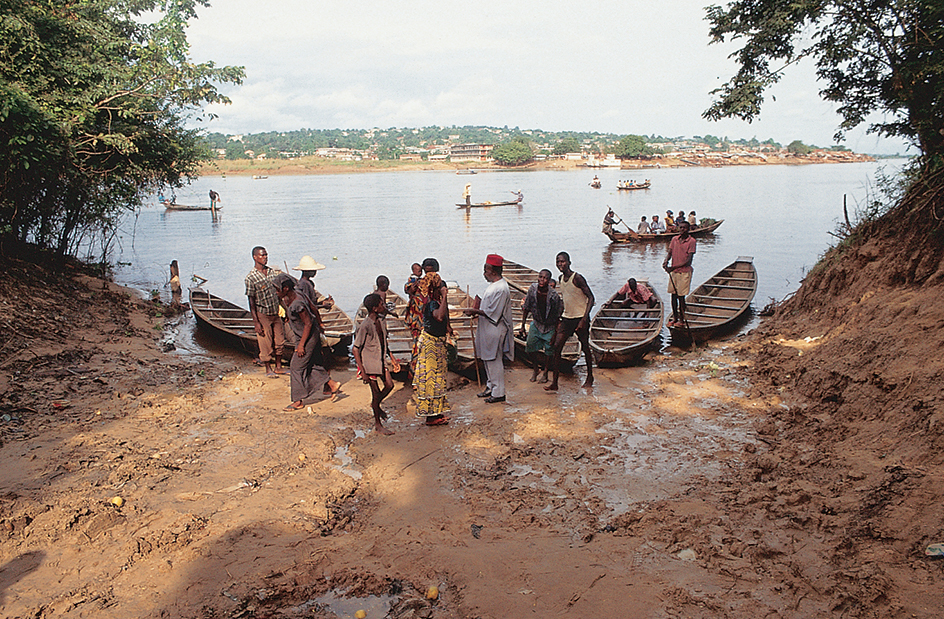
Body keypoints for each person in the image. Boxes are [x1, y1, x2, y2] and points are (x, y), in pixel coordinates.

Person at [273, 274, 340, 411]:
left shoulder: (297, 303)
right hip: (307, 335)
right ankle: (332, 384)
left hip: (307, 337)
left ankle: (297, 401)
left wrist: (301, 345)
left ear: (285, 288)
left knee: (296, 367)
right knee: (310, 364)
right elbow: (314, 308)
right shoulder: (295, 294)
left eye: (277, 290)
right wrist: (320, 323)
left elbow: (308, 323)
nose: (275, 292)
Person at [464, 254, 514, 404]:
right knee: (487, 358)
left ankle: (499, 392)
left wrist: (474, 311)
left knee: (493, 359)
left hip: (495, 328)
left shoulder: (501, 289)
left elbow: (494, 313)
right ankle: (491, 386)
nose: (484, 273)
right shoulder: (493, 287)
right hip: (487, 327)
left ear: (492, 270)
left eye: (485, 270)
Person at [546, 252, 594, 391]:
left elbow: (591, 298)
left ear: (569, 262)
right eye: (558, 262)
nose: (560, 264)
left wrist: (584, 319)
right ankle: (554, 383)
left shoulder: (577, 278)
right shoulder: (560, 278)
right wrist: (559, 319)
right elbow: (565, 299)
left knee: (585, 347)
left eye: (562, 261)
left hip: (580, 318)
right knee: (556, 347)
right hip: (567, 318)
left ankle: (590, 377)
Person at [353, 293, 397, 435]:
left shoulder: (381, 321)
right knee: (375, 392)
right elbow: (355, 348)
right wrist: (363, 371)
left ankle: (375, 405)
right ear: (375, 308)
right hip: (369, 364)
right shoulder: (365, 325)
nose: (384, 306)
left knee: (390, 385)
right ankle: (378, 424)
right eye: (381, 304)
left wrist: (392, 358)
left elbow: (384, 342)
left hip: (380, 360)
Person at [412, 272, 451, 425]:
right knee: (431, 379)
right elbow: (439, 317)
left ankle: (436, 413)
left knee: (436, 379)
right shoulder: (432, 303)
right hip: (431, 345)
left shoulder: (434, 301)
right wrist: (445, 297)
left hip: (435, 342)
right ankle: (431, 416)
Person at [246, 246, 286, 377]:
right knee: (266, 343)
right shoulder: (251, 278)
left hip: (275, 312)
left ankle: (279, 366)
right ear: (255, 257)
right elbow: (251, 301)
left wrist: (285, 310)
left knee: (279, 341)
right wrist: (256, 322)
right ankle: (268, 369)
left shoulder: (272, 273)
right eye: (262, 255)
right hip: (263, 314)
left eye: (266, 255)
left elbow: (279, 294)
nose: (265, 258)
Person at [518, 268, 562, 383]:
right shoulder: (532, 289)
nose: (542, 280)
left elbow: (558, 316)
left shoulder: (554, 296)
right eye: (540, 277)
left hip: (550, 326)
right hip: (536, 323)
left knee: (549, 351)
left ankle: (546, 372)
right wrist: (522, 325)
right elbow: (526, 307)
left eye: (545, 278)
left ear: (549, 280)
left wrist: (555, 334)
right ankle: (536, 369)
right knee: (530, 348)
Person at [405, 258, 440, 373]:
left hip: (424, 321)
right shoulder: (418, 284)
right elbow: (408, 289)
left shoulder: (432, 283)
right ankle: (417, 373)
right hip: (419, 321)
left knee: (422, 346)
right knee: (419, 346)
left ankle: (421, 373)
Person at [663, 220, 696, 327]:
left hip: (684, 273)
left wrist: (672, 267)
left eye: (684, 228)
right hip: (674, 272)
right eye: (680, 228)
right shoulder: (674, 239)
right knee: (673, 296)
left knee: (681, 297)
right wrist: (666, 261)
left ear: (688, 229)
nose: (682, 230)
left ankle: (681, 320)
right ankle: (675, 318)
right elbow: (670, 252)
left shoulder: (692, 241)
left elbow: (688, 261)